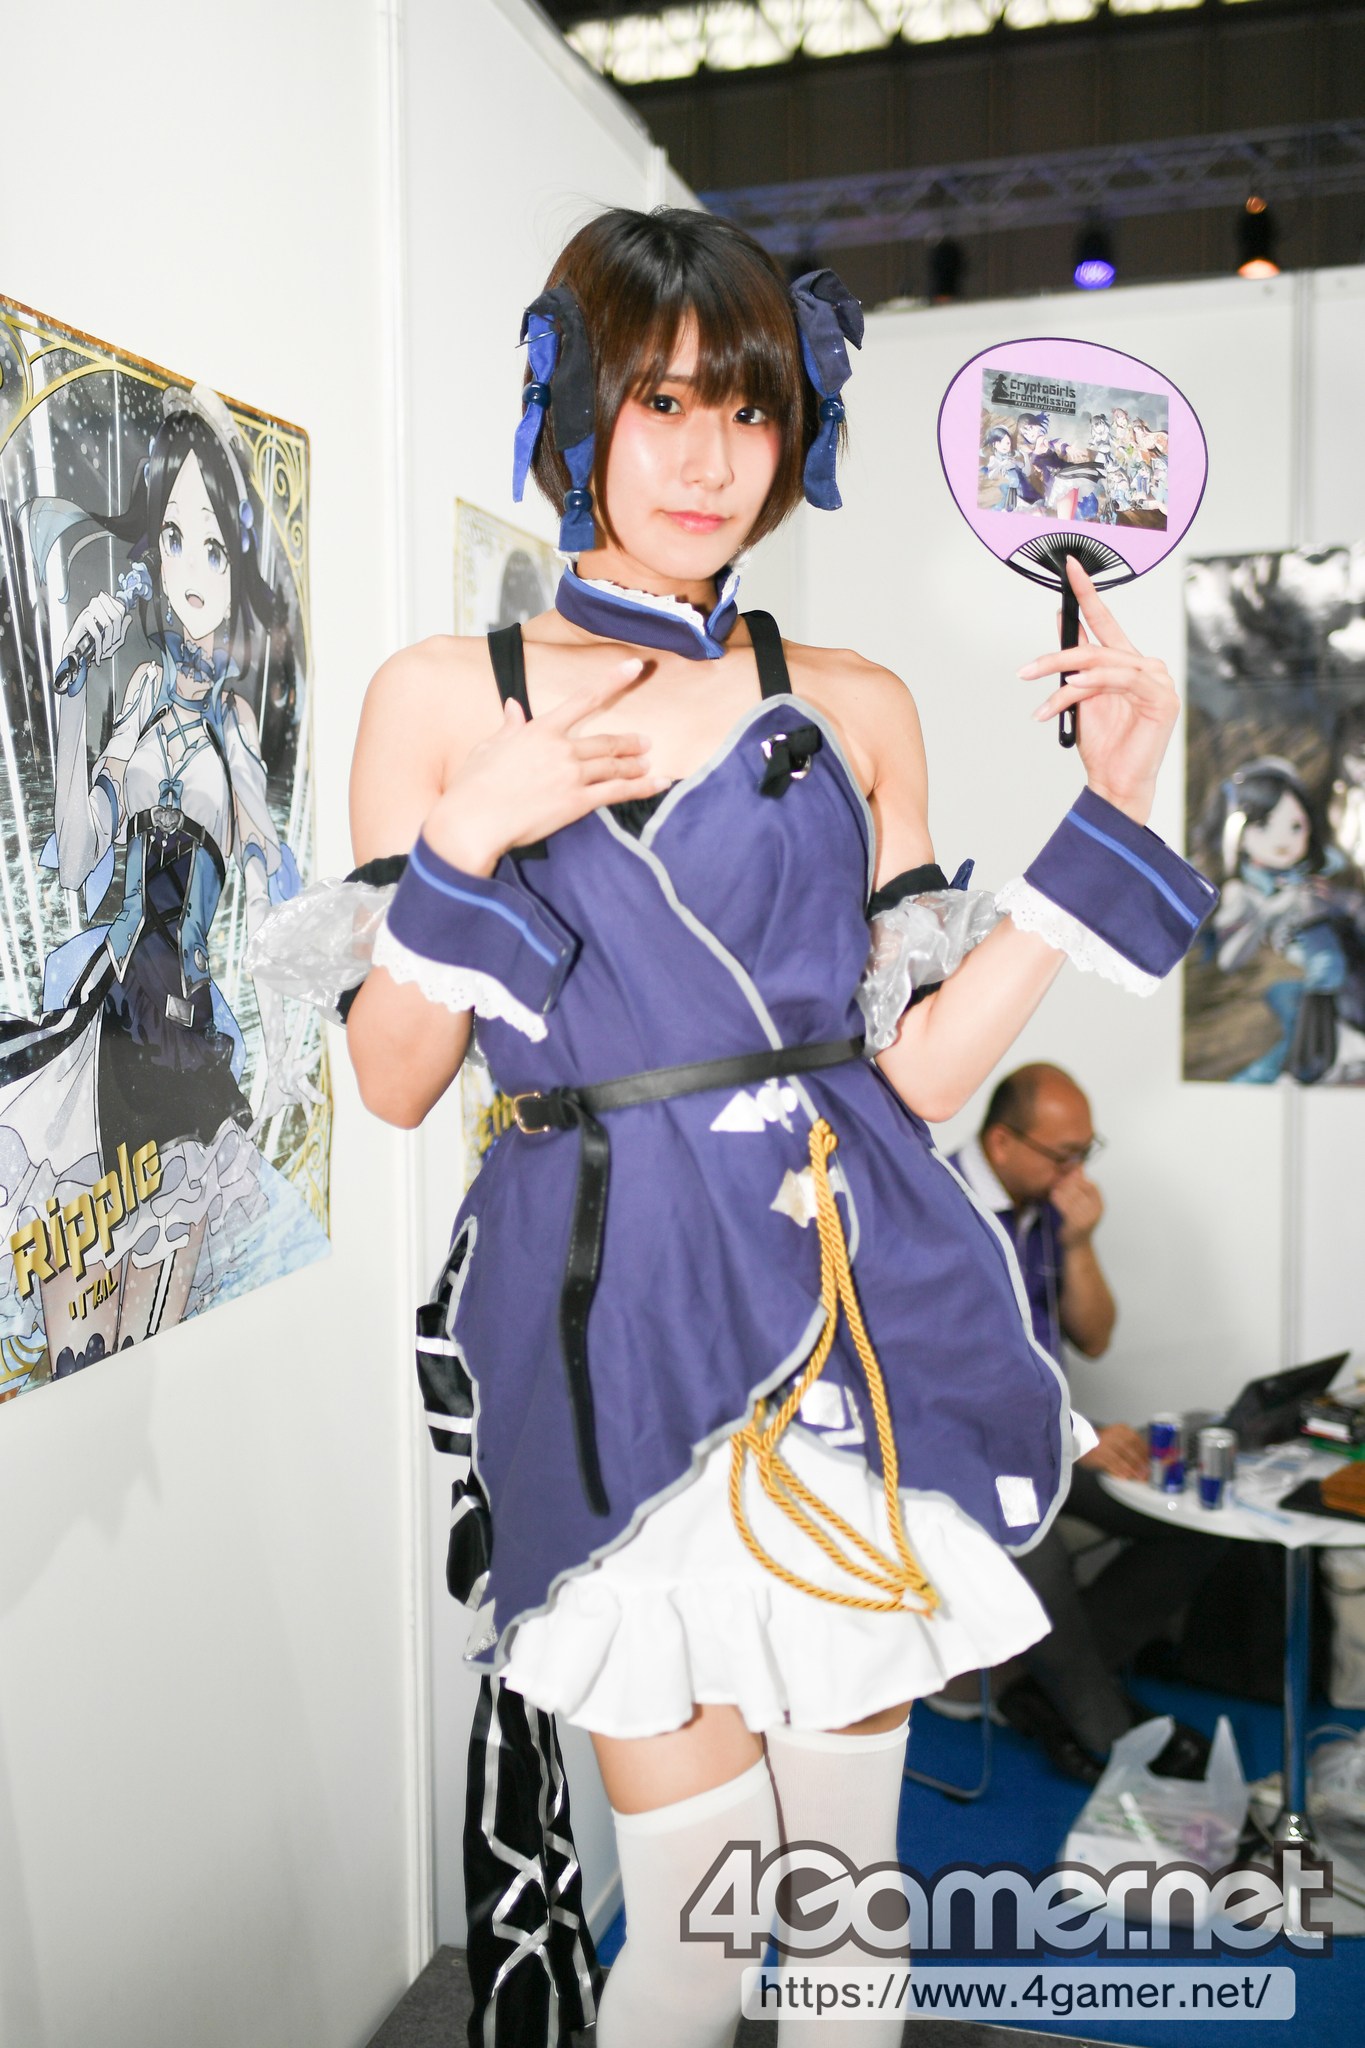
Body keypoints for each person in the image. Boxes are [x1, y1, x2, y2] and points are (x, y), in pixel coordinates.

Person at [339, 208, 1212, 2048]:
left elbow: (912, 1078)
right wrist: (471, 831)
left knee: (835, 1908)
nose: (708, 458)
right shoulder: (446, 695)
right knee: (694, 1917)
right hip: (603, 1316)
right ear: (578, 410)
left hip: (840, 1304)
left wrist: (1114, 811)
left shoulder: (858, 702)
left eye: (749, 410)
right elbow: (396, 1080)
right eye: (662, 403)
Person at [0, 386, 313, 1368]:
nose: (190, 571)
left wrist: (296, 1023)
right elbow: (81, 859)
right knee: (80, 1328)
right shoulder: (136, 693)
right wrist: (75, 699)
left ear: (240, 567)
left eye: (214, 548)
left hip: (184, 1042)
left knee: (156, 1321)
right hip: (109, 1022)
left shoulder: (236, 734)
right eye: (174, 539)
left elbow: (273, 880)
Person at [946, 1064, 1232, 1783]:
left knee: (1194, 1512)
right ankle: (1109, 1736)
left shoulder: (1043, 1206)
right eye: (1062, 1155)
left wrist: (1077, 1243)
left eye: (1084, 1151)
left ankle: (1045, 1690)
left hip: (1048, 1437)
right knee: (1036, 1539)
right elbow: (950, 1376)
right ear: (1002, 1142)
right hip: (965, 1451)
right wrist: (1076, 1434)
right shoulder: (940, 1207)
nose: (1076, 1172)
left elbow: (1095, 1337)